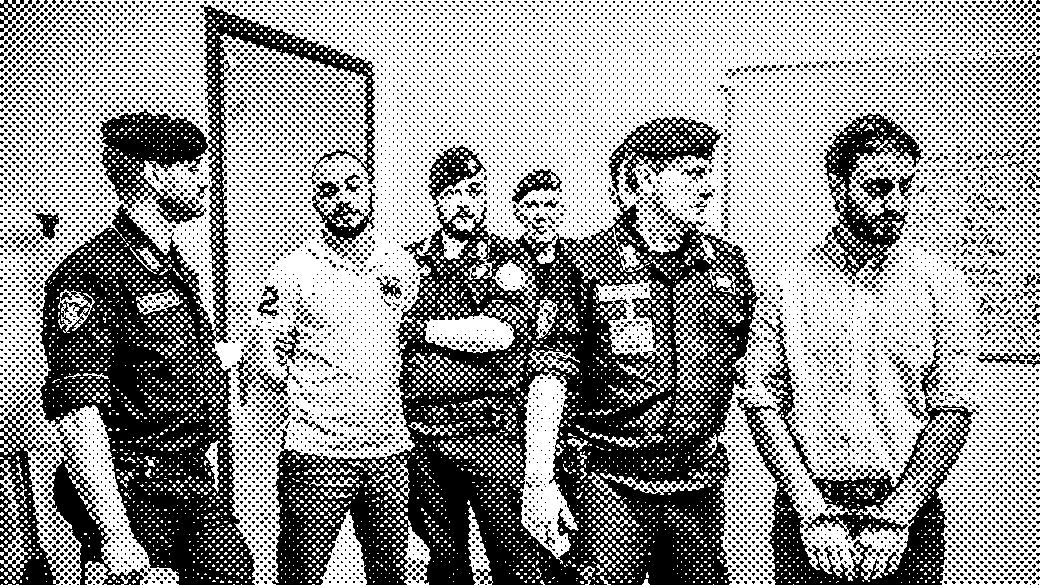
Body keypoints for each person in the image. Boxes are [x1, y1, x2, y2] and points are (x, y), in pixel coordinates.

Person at [738, 114, 977, 585]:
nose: (893, 203)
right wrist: (813, 516)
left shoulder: (942, 287)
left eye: (905, 187)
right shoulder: (786, 285)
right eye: (876, 188)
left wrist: (895, 520)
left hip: (911, 522)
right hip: (806, 516)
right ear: (836, 183)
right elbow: (762, 404)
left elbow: (954, 413)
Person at [523, 117, 753, 585]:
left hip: (698, 480)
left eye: (708, 172)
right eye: (689, 173)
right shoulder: (585, 262)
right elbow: (550, 373)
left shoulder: (730, 266)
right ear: (634, 184)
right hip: (608, 479)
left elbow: (747, 383)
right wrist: (538, 480)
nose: (707, 187)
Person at [41, 112, 253, 584]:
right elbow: (77, 409)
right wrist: (116, 536)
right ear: (155, 173)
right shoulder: (92, 272)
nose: (209, 180)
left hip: (199, 485)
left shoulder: (176, 266)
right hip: (138, 493)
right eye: (195, 168)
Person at [241, 151, 418, 585]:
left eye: (354, 186)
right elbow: (263, 361)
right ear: (315, 199)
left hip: (388, 454)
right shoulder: (293, 270)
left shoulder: (399, 265)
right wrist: (306, 398)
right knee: (302, 575)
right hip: (317, 456)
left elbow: (415, 346)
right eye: (328, 189)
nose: (343, 198)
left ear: (372, 192)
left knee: (393, 575)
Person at [402, 147, 572, 585]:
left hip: (491, 435)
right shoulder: (413, 260)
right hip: (423, 437)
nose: (463, 201)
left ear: (485, 197)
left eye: (473, 190)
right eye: (450, 193)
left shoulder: (510, 259)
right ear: (436, 200)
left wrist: (424, 329)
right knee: (441, 560)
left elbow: (502, 332)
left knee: (515, 558)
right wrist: (454, 334)